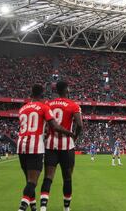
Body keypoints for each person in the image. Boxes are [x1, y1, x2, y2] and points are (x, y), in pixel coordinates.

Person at [16, 84, 74, 211]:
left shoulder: (22, 108)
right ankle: (21, 208)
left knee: (29, 181)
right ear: (42, 94)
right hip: (35, 146)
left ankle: (34, 208)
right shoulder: (44, 107)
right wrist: (70, 134)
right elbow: (55, 126)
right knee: (32, 182)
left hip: (20, 145)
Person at [40, 81, 83, 211]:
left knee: (48, 177)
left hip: (50, 146)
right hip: (66, 146)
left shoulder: (48, 104)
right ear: (67, 90)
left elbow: (46, 125)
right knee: (67, 178)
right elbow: (80, 125)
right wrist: (74, 136)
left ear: (57, 91)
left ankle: (43, 207)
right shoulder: (73, 105)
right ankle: (66, 208)